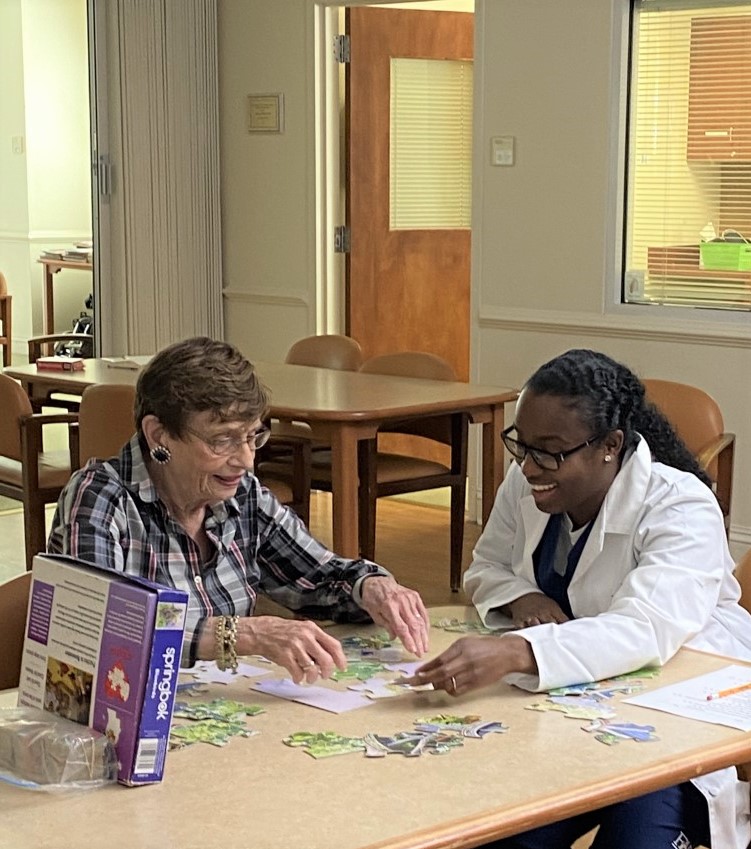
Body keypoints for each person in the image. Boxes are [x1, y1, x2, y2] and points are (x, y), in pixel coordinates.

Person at [408, 348, 751, 849]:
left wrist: (519, 650)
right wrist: (521, 595)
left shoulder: (681, 506)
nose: (528, 466)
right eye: (519, 446)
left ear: (610, 445)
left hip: (678, 707)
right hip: (574, 706)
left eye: (548, 450)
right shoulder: (529, 479)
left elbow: (644, 628)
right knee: (505, 835)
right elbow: (485, 567)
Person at [48, 337, 429, 682]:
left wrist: (372, 588)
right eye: (222, 440)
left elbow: (321, 578)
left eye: (252, 436)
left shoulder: (241, 495)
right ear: (159, 436)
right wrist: (244, 634)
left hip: (217, 710)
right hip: (121, 719)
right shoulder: (100, 496)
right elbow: (105, 625)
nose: (246, 460)